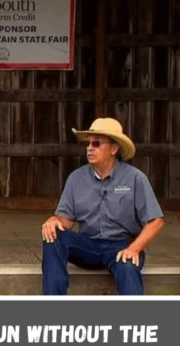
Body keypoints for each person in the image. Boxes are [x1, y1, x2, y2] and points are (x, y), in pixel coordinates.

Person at [41, 117, 165, 295]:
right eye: (88, 143)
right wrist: (53, 220)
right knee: (52, 236)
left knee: (128, 267)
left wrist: (135, 248)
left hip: (121, 246)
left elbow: (156, 220)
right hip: (88, 246)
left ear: (114, 149)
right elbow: (66, 220)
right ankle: (53, 304)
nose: (90, 148)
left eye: (97, 143)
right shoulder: (76, 178)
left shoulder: (135, 178)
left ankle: (136, 320)